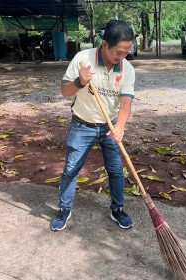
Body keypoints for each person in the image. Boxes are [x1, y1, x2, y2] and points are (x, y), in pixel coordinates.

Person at [51, 20, 135, 231]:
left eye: (126, 52)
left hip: (110, 126)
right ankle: (64, 208)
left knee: (116, 170)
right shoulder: (83, 59)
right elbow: (65, 91)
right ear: (104, 44)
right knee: (71, 169)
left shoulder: (127, 69)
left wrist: (121, 126)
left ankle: (117, 209)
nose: (122, 57)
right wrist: (79, 82)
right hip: (82, 126)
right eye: (118, 52)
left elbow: (126, 103)